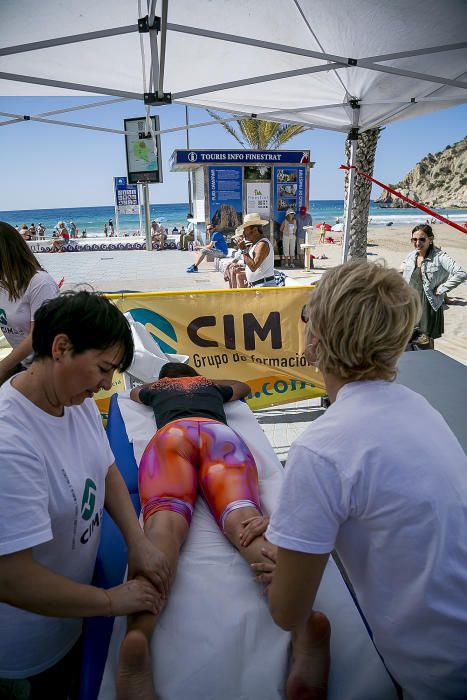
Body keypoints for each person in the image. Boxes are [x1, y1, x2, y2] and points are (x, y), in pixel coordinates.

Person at [266, 260, 467, 700]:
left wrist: (280, 559)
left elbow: (286, 610)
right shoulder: (419, 408)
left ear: (316, 337)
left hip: (438, 673)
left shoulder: (321, 449)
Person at [0, 291, 170, 699]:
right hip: (25, 658)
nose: (105, 385)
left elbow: (106, 467)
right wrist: (110, 601)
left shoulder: (72, 401)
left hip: (72, 620)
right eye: (102, 369)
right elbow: (11, 577)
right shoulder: (10, 441)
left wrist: (138, 542)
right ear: (60, 347)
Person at [118, 362, 274, 697]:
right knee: (243, 518)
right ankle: (300, 621)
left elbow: (132, 394)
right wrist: (209, 383)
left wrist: (160, 387)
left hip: (172, 437)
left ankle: (139, 634)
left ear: (164, 380)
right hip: (219, 436)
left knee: (163, 528)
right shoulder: (212, 387)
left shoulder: (156, 389)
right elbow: (242, 388)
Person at [0, 222, 59, 386]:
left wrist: (4, 367)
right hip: (23, 363)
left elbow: (37, 337)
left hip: (51, 368)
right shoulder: (3, 283)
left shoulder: (40, 283)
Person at [401, 224, 466, 344]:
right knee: (409, 339)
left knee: (425, 342)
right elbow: (405, 276)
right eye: (414, 239)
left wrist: (441, 289)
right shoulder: (411, 256)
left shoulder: (440, 257)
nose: (417, 243)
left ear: (430, 240)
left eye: (422, 239)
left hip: (428, 304)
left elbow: (461, 273)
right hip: (410, 304)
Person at [236, 213, 276, 287]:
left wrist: (244, 249)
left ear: (254, 230)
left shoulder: (262, 245)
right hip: (258, 285)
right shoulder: (255, 244)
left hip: (263, 286)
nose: (244, 233)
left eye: (245, 229)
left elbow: (253, 267)